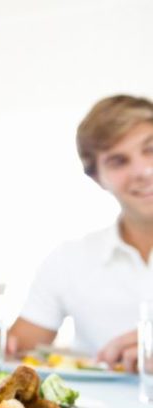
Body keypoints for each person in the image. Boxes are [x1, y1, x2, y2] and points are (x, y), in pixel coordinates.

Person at [9, 95, 153, 372]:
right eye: (118, 161)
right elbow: (14, 355)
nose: (143, 171)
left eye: (151, 149)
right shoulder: (68, 260)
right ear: (97, 178)